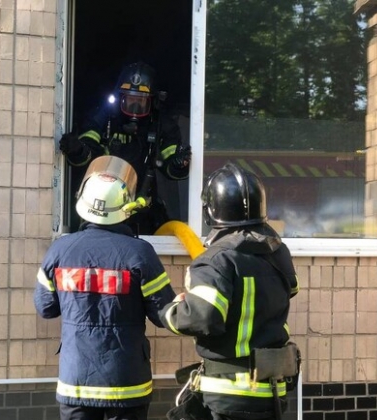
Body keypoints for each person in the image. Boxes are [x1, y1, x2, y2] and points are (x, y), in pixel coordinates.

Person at [34, 155, 177, 420]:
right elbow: (163, 314)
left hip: (76, 380)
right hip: (127, 382)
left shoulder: (60, 250)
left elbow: (46, 308)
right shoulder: (140, 253)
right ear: (126, 206)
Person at [159, 163, 300, 420]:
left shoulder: (217, 260)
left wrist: (172, 310)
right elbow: (290, 289)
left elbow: (202, 318)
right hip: (272, 391)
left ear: (211, 210)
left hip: (229, 393)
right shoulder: (278, 253)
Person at [59, 61, 191, 235]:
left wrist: (178, 164)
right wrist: (77, 150)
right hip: (102, 205)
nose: (135, 106)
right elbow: (88, 154)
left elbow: (170, 164)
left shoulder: (160, 124)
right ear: (120, 98)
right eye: (130, 99)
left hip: (141, 207)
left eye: (141, 101)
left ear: (152, 101)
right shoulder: (104, 118)